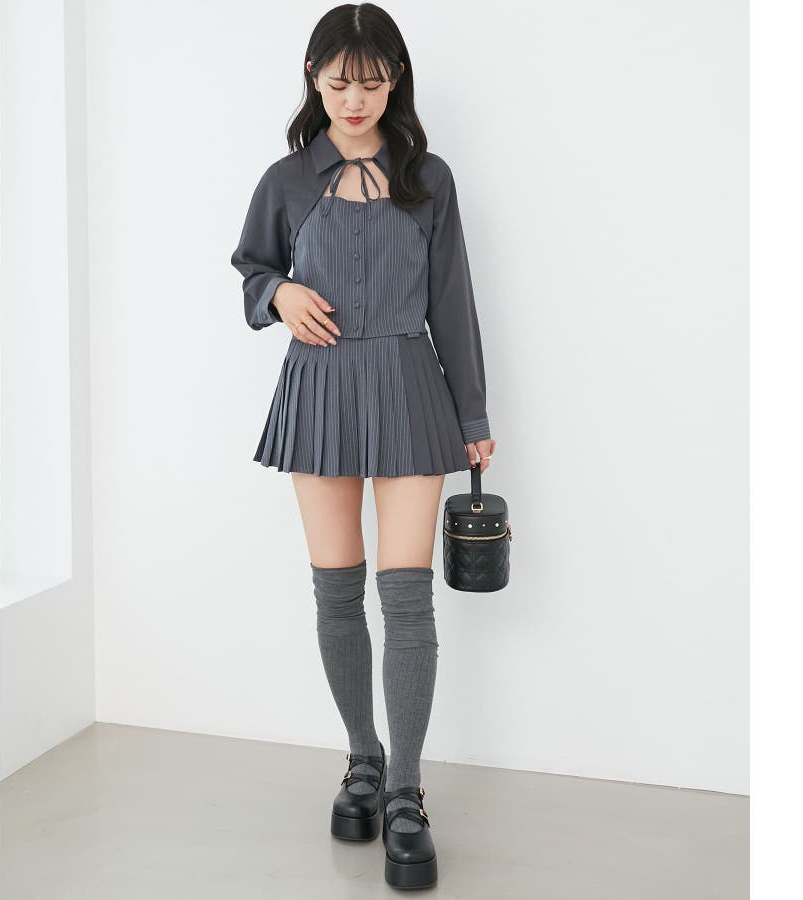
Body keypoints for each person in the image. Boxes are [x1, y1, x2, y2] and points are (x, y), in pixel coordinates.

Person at [230, 3, 496, 890]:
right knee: (338, 592)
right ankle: (362, 760)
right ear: (313, 79)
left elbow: (453, 302)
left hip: (410, 386)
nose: (355, 99)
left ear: (395, 82)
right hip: (319, 392)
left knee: (407, 598)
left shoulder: (428, 178)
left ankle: (407, 793)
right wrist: (277, 296)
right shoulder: (285, 180)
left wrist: (473, 419)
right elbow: (251, 268)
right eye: (340, 82)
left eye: (373, 82)